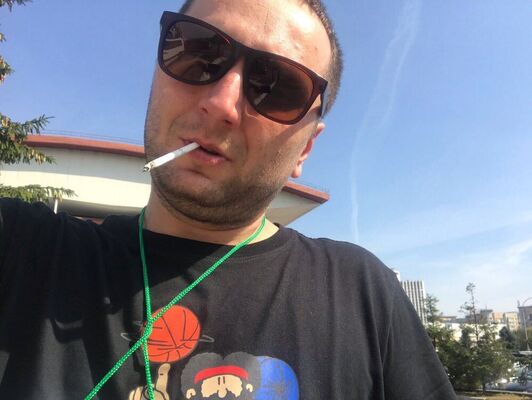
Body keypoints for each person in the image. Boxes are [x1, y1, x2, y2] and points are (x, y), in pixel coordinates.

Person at [0, 0, 456, 398]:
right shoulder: (26, 252)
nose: (221, 103)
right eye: (200, 52)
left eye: (277, 87)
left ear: (305, 149)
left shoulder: (361, 295)